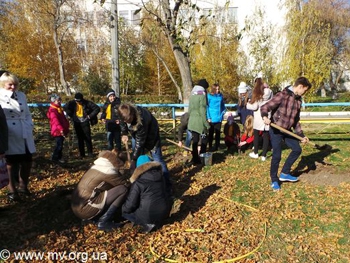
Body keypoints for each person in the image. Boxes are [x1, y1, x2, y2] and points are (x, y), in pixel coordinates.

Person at [260, 76, 311, 191]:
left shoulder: (298, 100)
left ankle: (284, 173)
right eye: (305, 90)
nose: (305, 93)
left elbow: (296, 120)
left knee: (297, 149)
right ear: (300, 86)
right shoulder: (282, 95)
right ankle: (274, 180)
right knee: (277, 155)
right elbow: (265, 107)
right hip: (276, 129)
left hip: (287, 130)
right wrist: (264, 117)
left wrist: (301, 135)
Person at [118, 103, 172, 193]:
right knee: (140, 158)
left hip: (152, 137)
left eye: (129, 120)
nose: (127, 123)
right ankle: (141, 182)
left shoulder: (142, 120)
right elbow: (122, 122)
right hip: (137, 135)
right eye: (126, 121)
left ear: (132, 114)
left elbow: (140, 143)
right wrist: (124, 133)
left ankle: (167, 186)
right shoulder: (122, 111)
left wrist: (133, 160)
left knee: (158, 160)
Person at [71, 150, 130, 231]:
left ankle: (92, 218)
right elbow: (126, 184)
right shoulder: (109, 171)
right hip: (86, 209)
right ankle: (104, 221)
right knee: (123, 189)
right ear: (119, 162)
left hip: (77, 206)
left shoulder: (96, 166)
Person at [0, 72, 36, 202]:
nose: (13, 87)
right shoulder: (0, 96)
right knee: (10, 163)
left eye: (15, 84)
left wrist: (29, 124)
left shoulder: (21, 95)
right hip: (9, 132)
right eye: (10, 84)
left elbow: (27, 112)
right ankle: (12, 191)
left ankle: (23, 186)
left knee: (27, 160)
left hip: (24, 131)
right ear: (3, 84)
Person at [122, 155, 172, 233]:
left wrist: (123, 209)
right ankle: (156, 221)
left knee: (125, 213)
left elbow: (131, 204)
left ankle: (147, 223)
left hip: (147, 216)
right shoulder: (162, 178)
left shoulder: (139, 183)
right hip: (164, 213)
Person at [64, 92, 100, 158]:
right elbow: (65, 108)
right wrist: (72, 115)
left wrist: (90, 116)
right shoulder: (72, 103)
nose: (78, 102)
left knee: (87, 137)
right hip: (77, 122)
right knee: (80, 139)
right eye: (77, 101)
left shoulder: (87, 103)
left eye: (80, 101)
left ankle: (90, 153)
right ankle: (82, 154)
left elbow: (97, 108)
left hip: (85, 121)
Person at [247, 79, 273, 161]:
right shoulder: (270, 92)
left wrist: (247, 104)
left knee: (256, 135)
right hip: (267, 116)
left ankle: (255, 152)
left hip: (259, 116)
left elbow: (255, 107)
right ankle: (264, 155)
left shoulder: (258, 93)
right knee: (266, 136)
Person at [188, 79, 210, 164]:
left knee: (195, 140)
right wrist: (206, 124)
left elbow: (189, 109)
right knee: (204, 139)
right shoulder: (202, 95)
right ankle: (203, 157)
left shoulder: (192, 94)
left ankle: (195, 158)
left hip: (192, 121)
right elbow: (202, 111)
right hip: (200, 121)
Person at [46, 94, 70, 163]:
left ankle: (59, 157)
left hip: (61, 129)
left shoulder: (59, 109)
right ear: (54, 101)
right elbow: (55, 121)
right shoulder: (53, 110)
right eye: (57, 100)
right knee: (59, 145)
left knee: (61, 144)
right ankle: (55, 158)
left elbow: (63, 119)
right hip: (57, 130)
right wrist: (61, 129)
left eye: (60, 100)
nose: (59, 101)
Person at [207, 83, 226, 151]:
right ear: (213, 89)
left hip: (219, 117)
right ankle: (210, 146)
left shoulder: (220, 96)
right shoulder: (209, 96)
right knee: (211, 133)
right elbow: (207, 107)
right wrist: (208, 117)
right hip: (211, 118)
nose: (218, 90)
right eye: (216, 89)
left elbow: (223, 105)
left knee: (218, 133)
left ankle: (217, 146)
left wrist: (223, 112)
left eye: (218, 89)